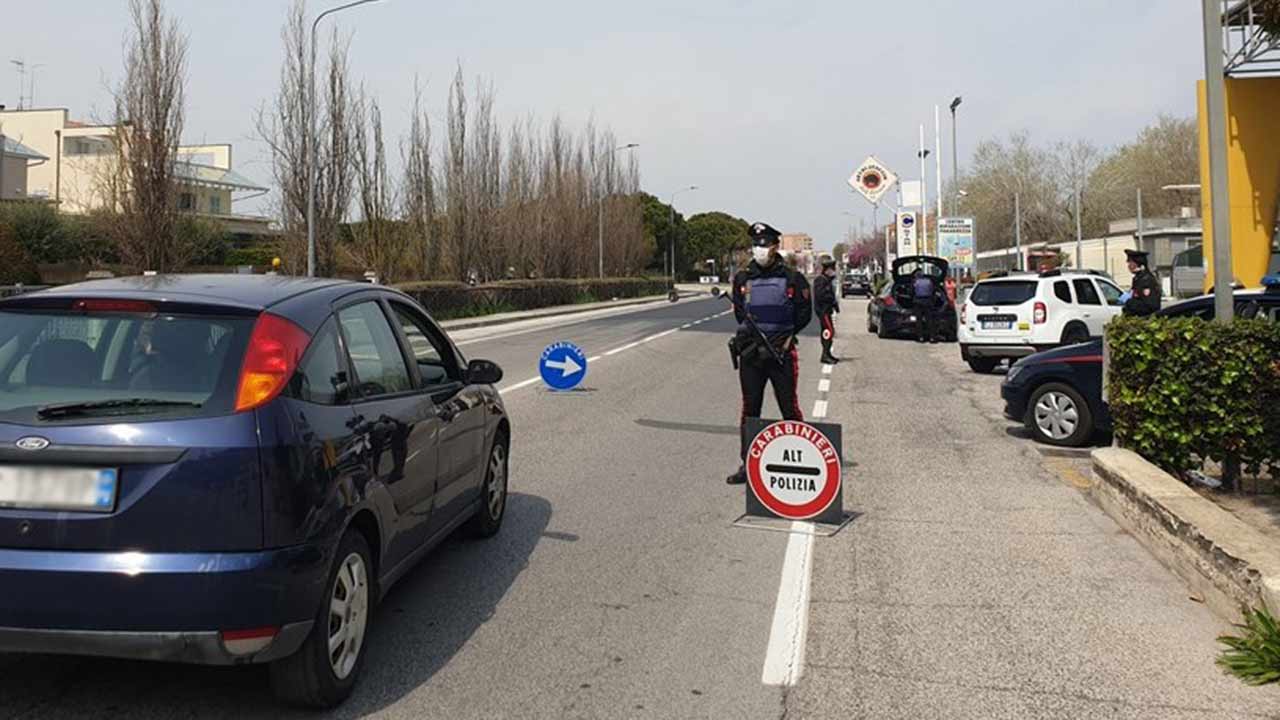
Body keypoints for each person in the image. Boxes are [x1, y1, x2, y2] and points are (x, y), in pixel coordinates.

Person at [726, 222, 813, 485]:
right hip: (752, 353)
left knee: (789, 407)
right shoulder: (743, 278)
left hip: (781, 352)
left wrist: (785, 338)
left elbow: (804, 313)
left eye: (764, 244)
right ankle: (747, 463)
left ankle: (803, 458)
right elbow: (740, 313)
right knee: (750, 409)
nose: (759, 249)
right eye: (756, 244)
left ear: (775, 247)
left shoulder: (792, 278)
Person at [812, 255, 840, 365]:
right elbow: (820, 296)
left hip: (827, 310)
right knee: (828, 331)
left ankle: (827, 354)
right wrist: (830, 299)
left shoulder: (827, 280)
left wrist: (834, 305)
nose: (834, 271)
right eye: (832, 269)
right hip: (823, 311)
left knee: (829, 331)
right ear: (827, 269)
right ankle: (825, 355)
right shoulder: (820, 280)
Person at [1121, 249, 1162, 317]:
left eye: (1131, 263)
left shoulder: (1147, 280)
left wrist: (1129, 302)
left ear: (1139, 264)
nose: (1129, 266)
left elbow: (1150, 306)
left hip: (1145, 320)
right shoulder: (1138, 278)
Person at [912, 269, 936, 342]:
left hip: (918, 302)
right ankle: (932, 337)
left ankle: (920, 337)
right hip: (928, 301)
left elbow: (911, 292)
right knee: (930, 320)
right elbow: (933, 291)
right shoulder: (929, 281)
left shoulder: (915, 282)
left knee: (919, 320)